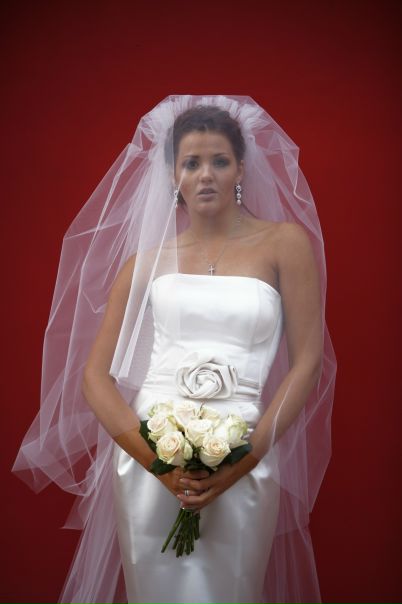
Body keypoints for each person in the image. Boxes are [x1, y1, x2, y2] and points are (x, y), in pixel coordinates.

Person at [13, 95, 337, 604]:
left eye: (219, 161)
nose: (205, 174)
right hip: (153, 457)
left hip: (246, 449)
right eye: (191, 163)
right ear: (172, 175)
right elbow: (95, 378)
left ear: (241, 169)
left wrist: (244, 461)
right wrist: (157, 465)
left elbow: (308, 362)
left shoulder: (284, 244)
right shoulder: (146, 261)